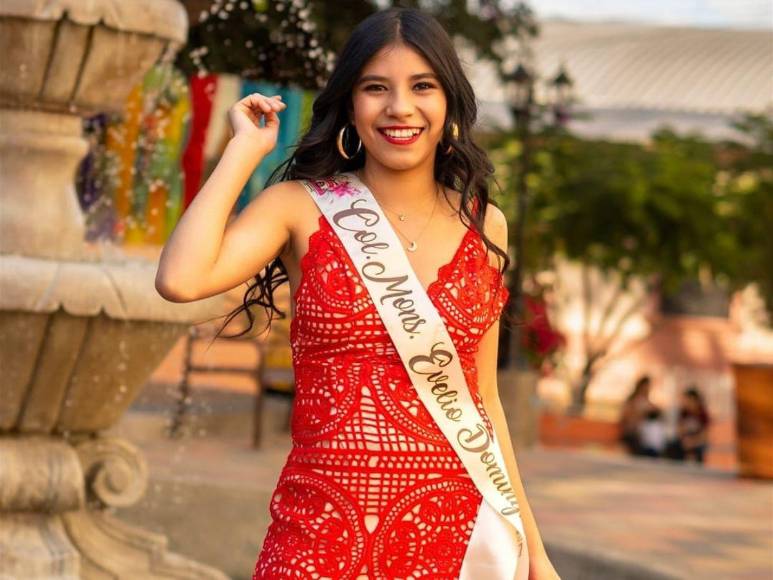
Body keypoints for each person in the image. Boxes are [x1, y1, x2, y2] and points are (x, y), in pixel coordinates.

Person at [156, 7, 559, 579]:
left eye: (423, 86)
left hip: (456, 534)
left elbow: (483, 400)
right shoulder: (299, 208)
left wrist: (535, 552)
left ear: (449, 105)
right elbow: (181, 279)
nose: (400, 107)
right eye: (376, 88)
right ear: (350, 104)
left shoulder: (484, 225)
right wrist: (245, 150)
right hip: (320, 533)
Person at [618, 375, 661, 456]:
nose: (647, 388)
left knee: (654, 429)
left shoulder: (648, 401)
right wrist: (640, 415)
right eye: (646, 386)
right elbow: (625, 417)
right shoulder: (632, 400)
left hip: (644, 430)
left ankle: (653, 452)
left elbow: (655, 410)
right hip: (633, 430)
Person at [672, 386, 711, 464]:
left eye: (686, 400)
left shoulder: (702, 415)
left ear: (693, 399)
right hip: (685, 442)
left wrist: (692, 442)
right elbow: (679, 430)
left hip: (697, 443)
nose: (684, 403)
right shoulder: (683, 413)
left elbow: (705, 436)